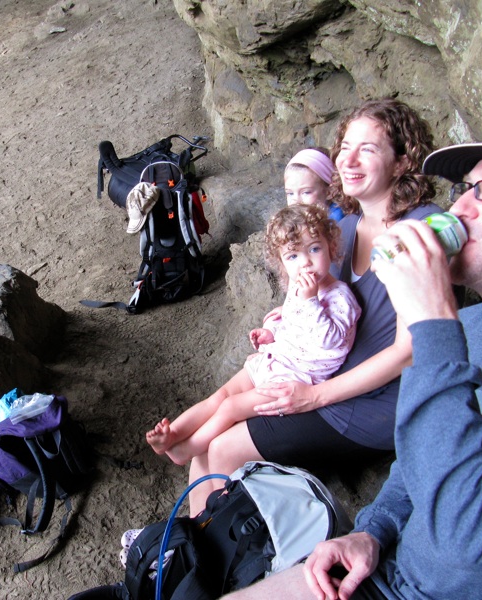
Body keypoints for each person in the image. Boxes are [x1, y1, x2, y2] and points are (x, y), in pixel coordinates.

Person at [222, 117, 482, 600]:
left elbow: (480, 536)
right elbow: (419, 459)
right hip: (388, 577)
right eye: (466, 187)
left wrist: (432, 322)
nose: (461, 206)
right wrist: (374, 530)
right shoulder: (471, 331)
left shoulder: (448, 335)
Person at [186, 98, 445, 517]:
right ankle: (189, 551)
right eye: (345, 147)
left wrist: (312, 397)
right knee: (207, 438)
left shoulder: (419, 231)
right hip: (321, 370)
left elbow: (410, 350)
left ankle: (212, 559)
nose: (350, 159)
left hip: (371, 404)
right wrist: (281, 324)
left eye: (369, 149)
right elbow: (314, 302)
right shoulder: (344, 227)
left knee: (224, 448)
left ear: (401, 162)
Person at [146, 204, 361, 465]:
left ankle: (185, 450)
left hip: (295, 379)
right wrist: (271, 332)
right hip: (276, 358)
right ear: (282, 263)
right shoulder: (298, 287)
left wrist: (310, 302)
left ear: (331, 247)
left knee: (231, 407)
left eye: (314, 248)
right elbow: (293, 322)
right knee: (220, 396)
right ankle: (173, 433)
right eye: (293, 256)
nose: (305, 262)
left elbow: (332, 344)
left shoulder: (340, 297)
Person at [285, 147, 344, 221]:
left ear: (329, 192)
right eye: (290, 193)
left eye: (306, 192)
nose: (296, 201)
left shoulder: (337, 224)